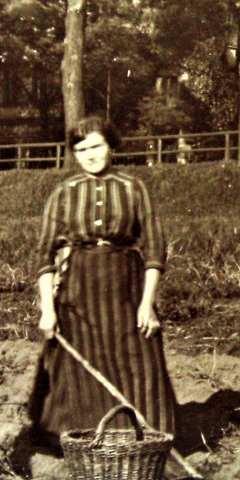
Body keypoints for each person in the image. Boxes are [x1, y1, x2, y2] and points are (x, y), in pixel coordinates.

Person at [28, 116, 177, 439]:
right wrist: (48, 309)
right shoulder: (64, 194)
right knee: (83, 371)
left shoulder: (133, 188)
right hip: (78, 291)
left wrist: (147, 304)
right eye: (81, 149)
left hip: (127, 287)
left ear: (111, 146)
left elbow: (154, 248)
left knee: (140, 363)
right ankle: (91, 445)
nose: (90, 155)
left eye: (96, 146)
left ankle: (146, 441)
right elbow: (43, 254)